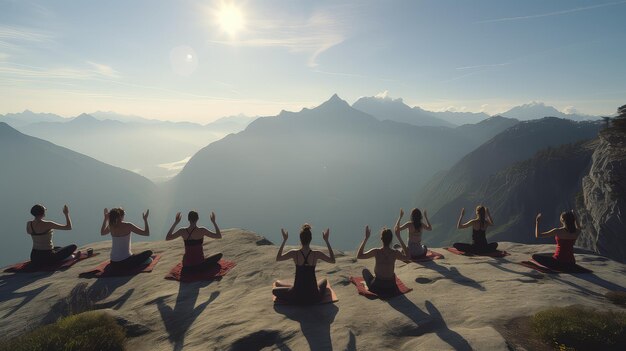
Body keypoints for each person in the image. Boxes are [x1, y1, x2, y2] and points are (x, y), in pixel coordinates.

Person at [272, 224, 336, 304]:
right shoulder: (316, 254)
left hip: (297, 296)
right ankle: (293, 287)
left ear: (300, 239)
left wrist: (284, 240)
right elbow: (333, 260)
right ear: (310, 239)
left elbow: (278, 258)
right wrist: (326, 240)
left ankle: (291, 287)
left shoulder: (294, 253)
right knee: (324, 280)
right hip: (314, 297)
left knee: (275, 290)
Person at [357, 226, 411, 296]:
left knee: (365, 271)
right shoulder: (395, 253)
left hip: (377, 287)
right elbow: (407, 257)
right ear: (391, 240)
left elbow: (359, 256)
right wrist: (399, 237)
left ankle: (371, 284)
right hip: (391, 287)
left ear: (381, 239)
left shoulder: (376, 251)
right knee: (392, 275)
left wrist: (366, 238)